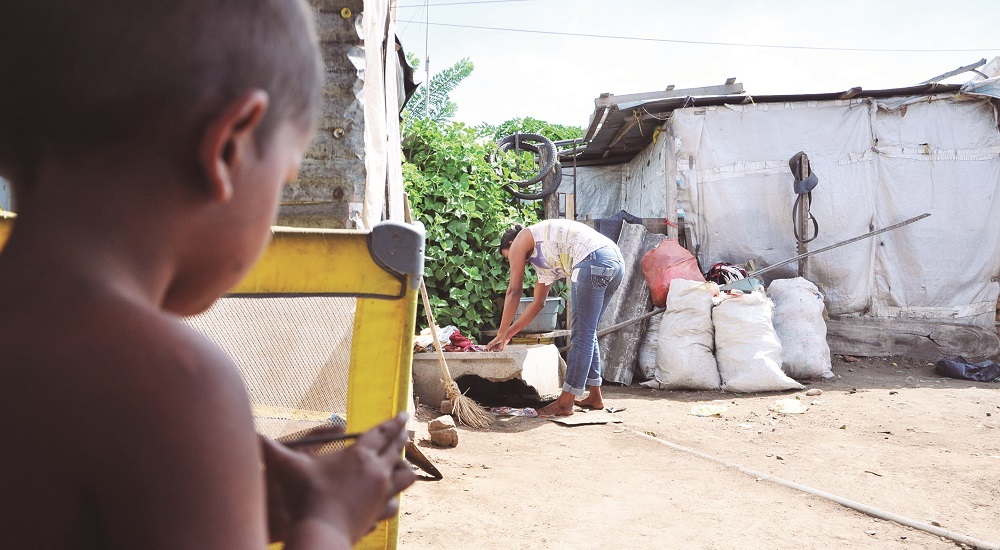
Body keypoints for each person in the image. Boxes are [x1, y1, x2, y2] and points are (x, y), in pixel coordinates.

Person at [0, 1, 414, 548]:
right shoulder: (175, 383)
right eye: (286, 180)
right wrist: (330, 518)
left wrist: (232, 504)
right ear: (227, 147)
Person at [487, 219, 624, 416]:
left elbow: (514, 291)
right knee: (588, 330)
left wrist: (499, 333)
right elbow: (538, 303)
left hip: (592, 259)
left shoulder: (519, 241)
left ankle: (565, 402)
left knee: (582, 333)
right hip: (614, 259)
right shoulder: (543, 262)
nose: (517, 263)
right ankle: (595, 396)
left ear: (510, 245)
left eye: (508, 257)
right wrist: (508, 335)